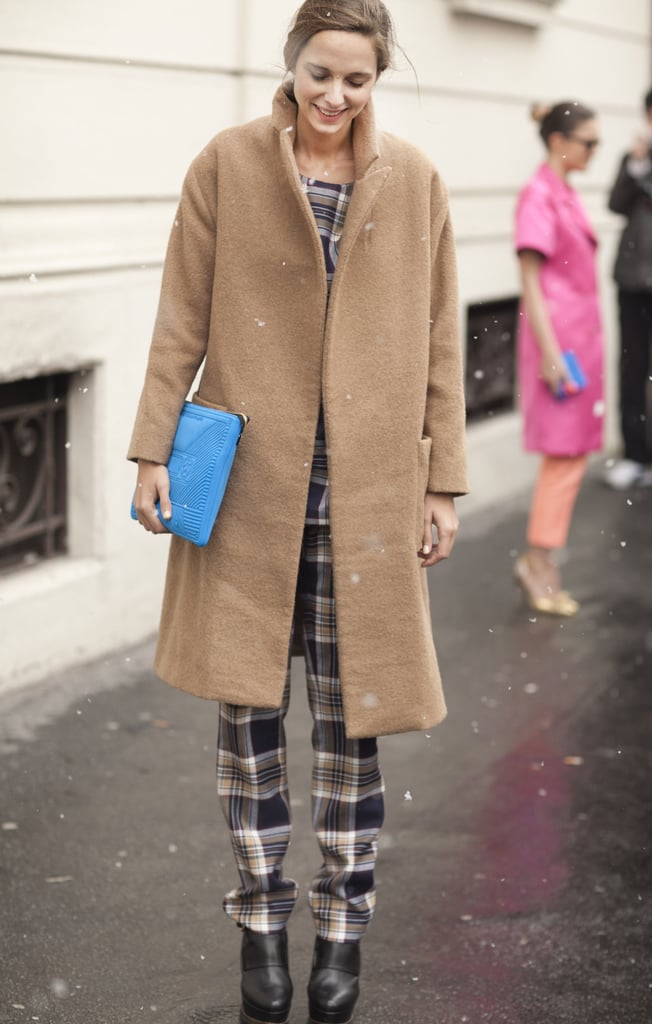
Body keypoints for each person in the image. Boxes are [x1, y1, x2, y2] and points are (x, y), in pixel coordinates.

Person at [127, 2, 469, 1022]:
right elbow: (179, 310)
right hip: (246, 493)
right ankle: (261, 927)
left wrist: (440, 479)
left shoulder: (411, 182)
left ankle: (343, 932)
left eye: (356, 81)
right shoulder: (226, 164)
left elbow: (440, 340)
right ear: (292, 66)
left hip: (363, 499)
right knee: (248, 726)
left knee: (352, 730)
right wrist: (151, 448)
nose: (334, 97)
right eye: (320, 74)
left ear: (376, 82)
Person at [513, 101, 605, 617]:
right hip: (561, 347)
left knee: (571, 456)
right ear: (559, 141)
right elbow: (530, 279)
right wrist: (550, 352)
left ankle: (541, 560)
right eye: (588, 141)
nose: (594, 151)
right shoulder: (540, 195)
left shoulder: (560, 191)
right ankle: (540, 563)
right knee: (564, 456)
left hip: (577, 343)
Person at [604, 85, 652, 494]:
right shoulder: (632, 160)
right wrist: (636, 166)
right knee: (632, 367)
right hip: (632, 281)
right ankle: (635, 453)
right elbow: (615, 204)